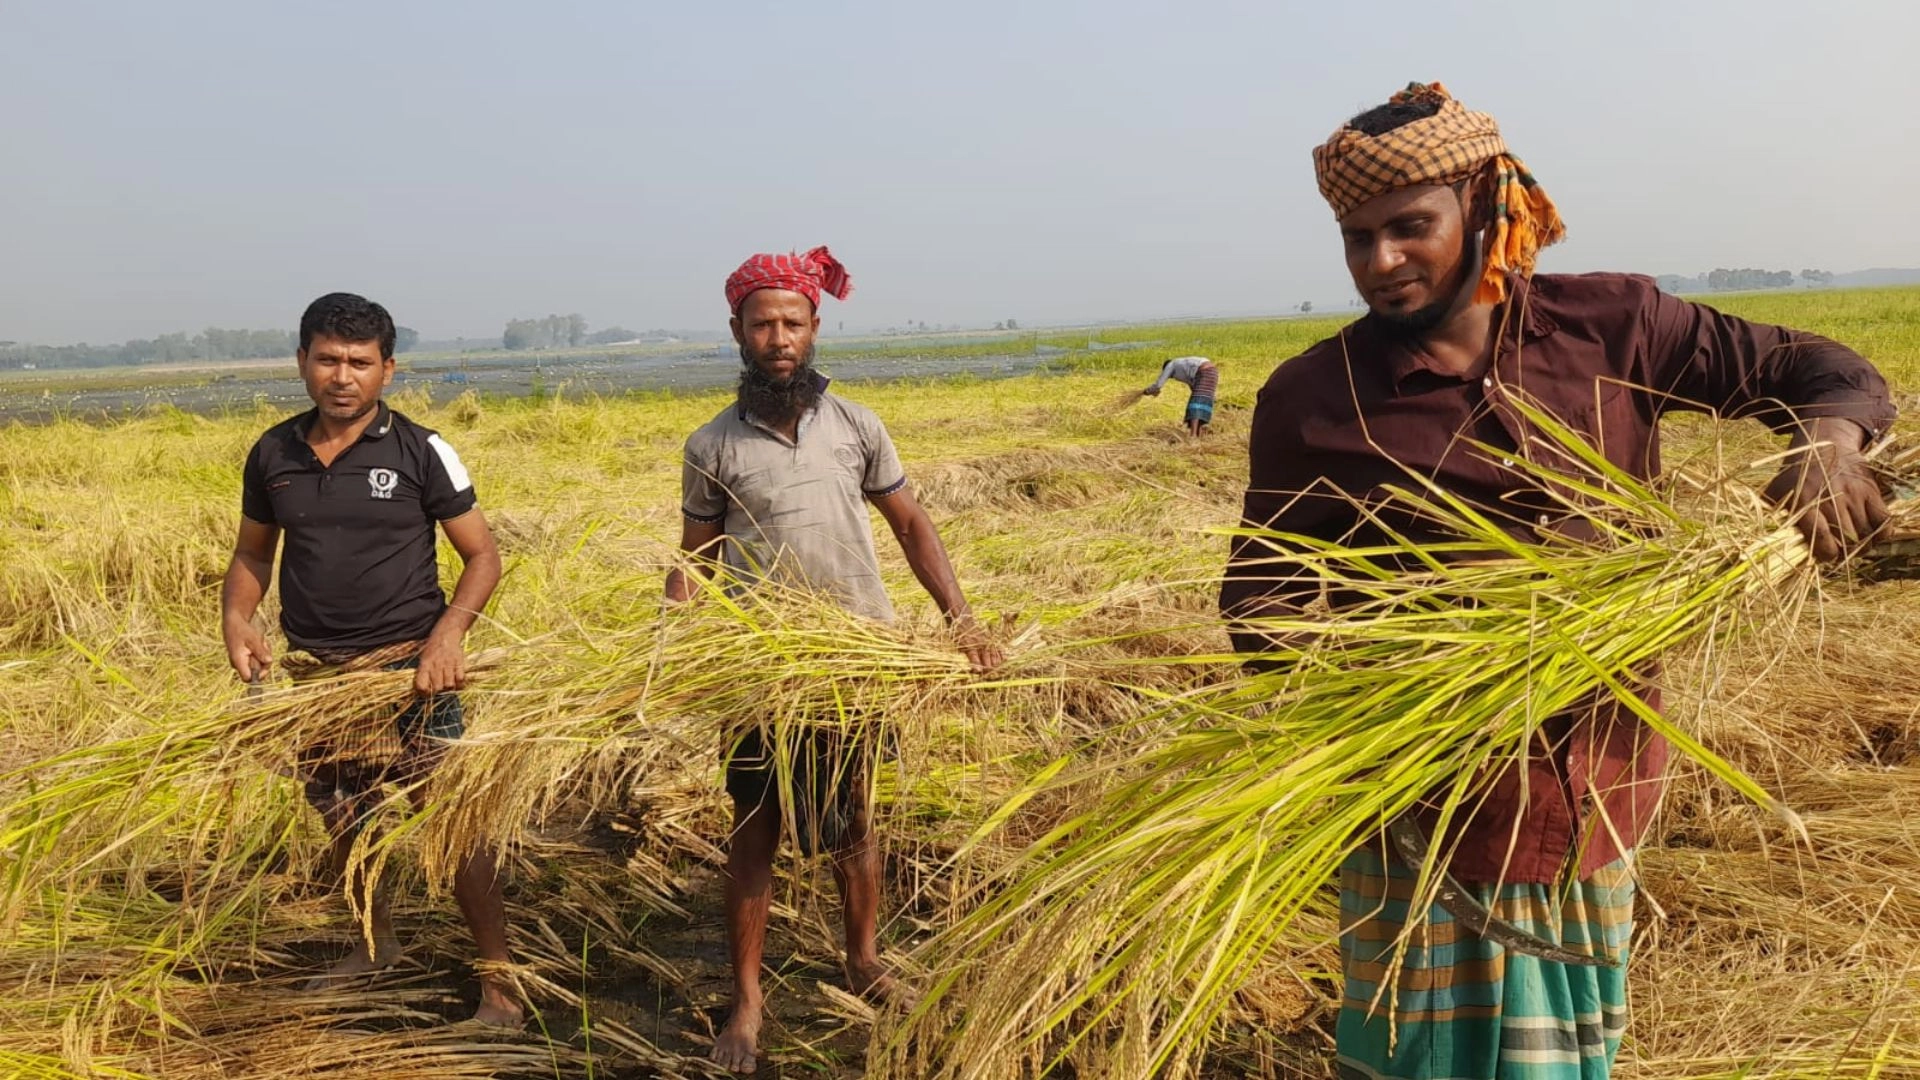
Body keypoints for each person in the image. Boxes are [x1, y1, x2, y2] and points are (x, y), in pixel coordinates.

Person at [1219, 83, 1893, 1079]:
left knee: (1576, 1054)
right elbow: (1262, 599)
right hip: (1431, 818)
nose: (1381, 262)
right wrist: (1399, 680)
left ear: (1484, 205)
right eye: (1358, 239)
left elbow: (1823, 370)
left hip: (1599, 791)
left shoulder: (1616, 327)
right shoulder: (1314, 400)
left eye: (1410, 228)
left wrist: (1828, 446)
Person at [665, 247, 1001, 1074]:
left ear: (815, 327)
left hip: (855, 658)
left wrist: (963, 622)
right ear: (738, 332)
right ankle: (748, 1001)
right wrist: (667, 641)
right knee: (755, 827)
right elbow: (695, 558)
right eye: (762, 324)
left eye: (793, 323)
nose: (778, 338)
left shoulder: (857, 426)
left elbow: (911, 526)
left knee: (854, 816)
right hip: (760, 667)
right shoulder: (712, 444)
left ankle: (863, 958)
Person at [219, 292, 520, 1027]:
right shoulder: (273, 453)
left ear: (388, 369)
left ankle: (500, 987)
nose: (342, 376)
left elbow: (483, 556)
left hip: (412, 673)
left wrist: (447, 638)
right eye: (327, 360)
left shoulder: (421, 449)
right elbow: (254, 552)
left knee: (453, 824)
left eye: (359, 362)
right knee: (343, 817)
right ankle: (374, 946)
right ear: (302, 362)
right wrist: (237, 617)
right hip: (319, 676)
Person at [1143, 355, 1220, 435]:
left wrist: (1147, 391)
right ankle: (1198, 435)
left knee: (1195, 405)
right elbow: (1192, 384)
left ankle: (1193, 435)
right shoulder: (1182, 366)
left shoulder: (1171, 365)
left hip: (1204, 372)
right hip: (1213, 372)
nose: (1171, 377)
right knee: (1202, 403)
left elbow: (1158, 385)